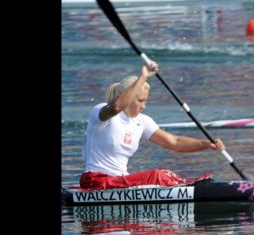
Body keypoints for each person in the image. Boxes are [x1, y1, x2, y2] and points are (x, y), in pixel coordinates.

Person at [80, 61, 225, 190]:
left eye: (145, 101)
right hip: (95, 181)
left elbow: (175, 142)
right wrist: (143, 77)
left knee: (162, 173)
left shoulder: (142, 121)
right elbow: (117, 107)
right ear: (127, 96)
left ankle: (187, 186)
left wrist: (206, 144)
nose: (143, 106)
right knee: (157, 175)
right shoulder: (100, 112)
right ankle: (190, 188)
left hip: (118, 182)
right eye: (140, 100)